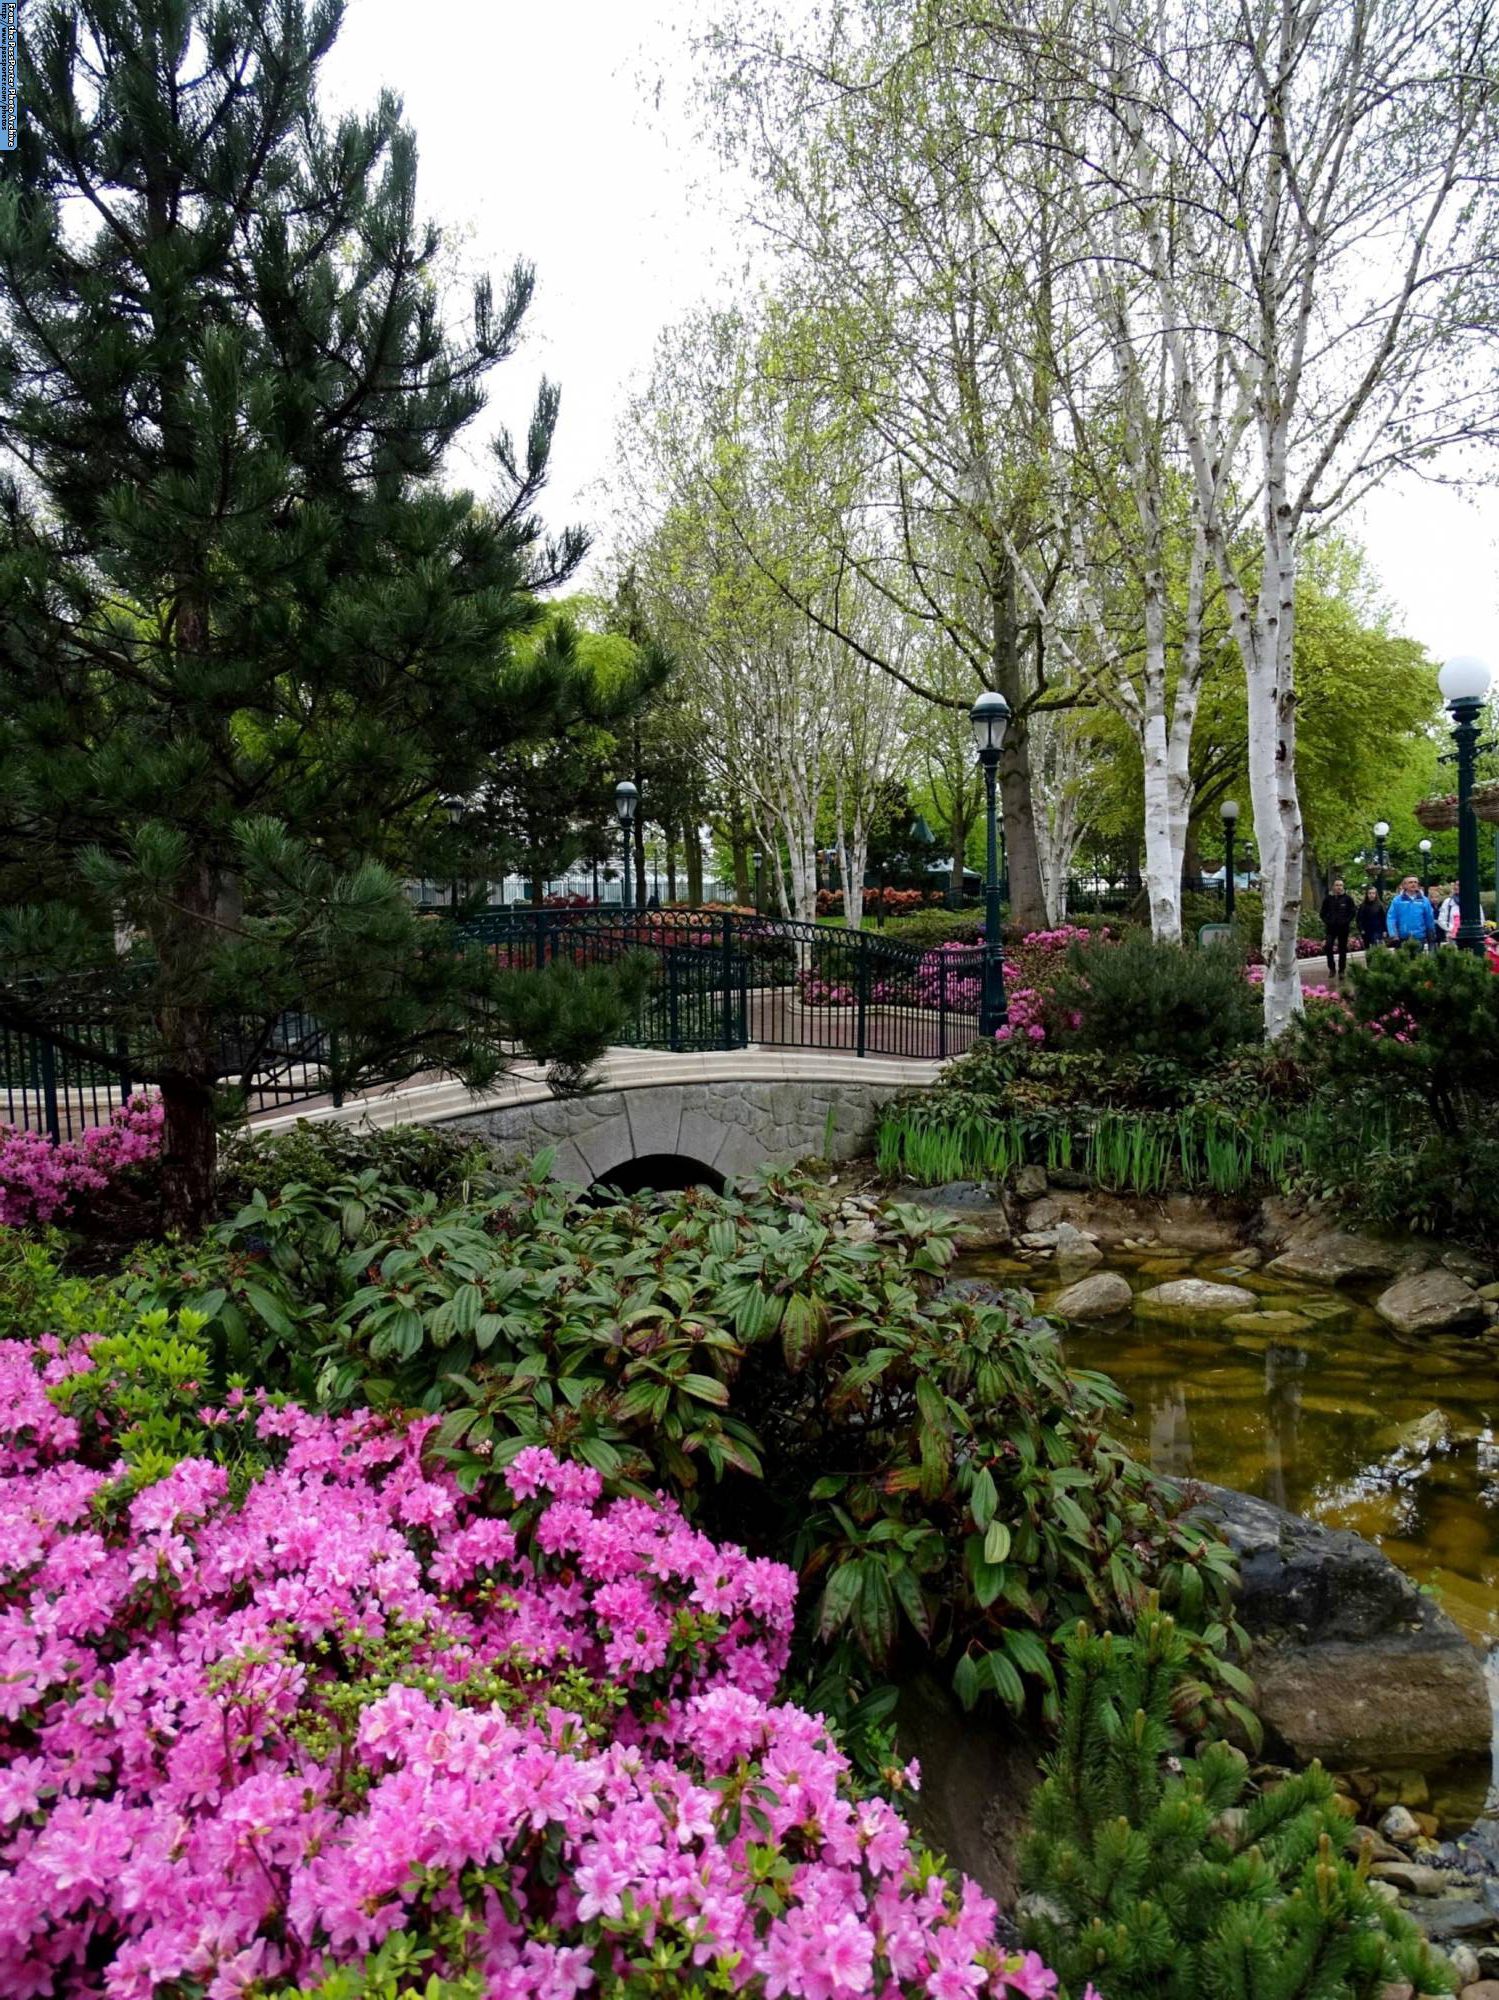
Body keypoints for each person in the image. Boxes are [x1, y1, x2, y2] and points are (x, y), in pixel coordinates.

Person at [1319, 877, 1357, 977]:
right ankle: (1331, 968)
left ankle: (1341, 970)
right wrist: (1328, 921)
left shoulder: (1348, 899)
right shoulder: (1328, 899)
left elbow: (1352, 912)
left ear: (1343, 887)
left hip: (1343, 928)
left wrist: (1346, 921)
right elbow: (1322, 913)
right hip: (1330, 928)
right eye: (1337, 885)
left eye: (1340, 885)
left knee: (1342, 949)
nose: (1339, 887)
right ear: (1333, 887)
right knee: (1328, 947)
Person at [1387, 875, 1438, 947]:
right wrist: (1393, 934)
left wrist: (1431, 935)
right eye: (1410, 882)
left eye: (1415, 882)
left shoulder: (1424, 900)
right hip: (1402, 937)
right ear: (1404, 885)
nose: (1413, 884)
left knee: (1418, 958)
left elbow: (1429, 918)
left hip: (1419, 937)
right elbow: (1391, 918)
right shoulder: (1397, 900)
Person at [1357, 885, 1387, 951]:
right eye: (1370, 893)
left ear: (1376, 894)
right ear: (1367, 894)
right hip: (1366, 931)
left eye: (1373, 893)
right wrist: (1361, 929)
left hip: (1377, 930)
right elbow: (1359, 919)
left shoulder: (1380, 905)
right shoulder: (1363, 906)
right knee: (1367, 949)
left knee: (1375, 946)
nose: (1371, 895)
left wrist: (1384, 930)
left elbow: (1384, 918)